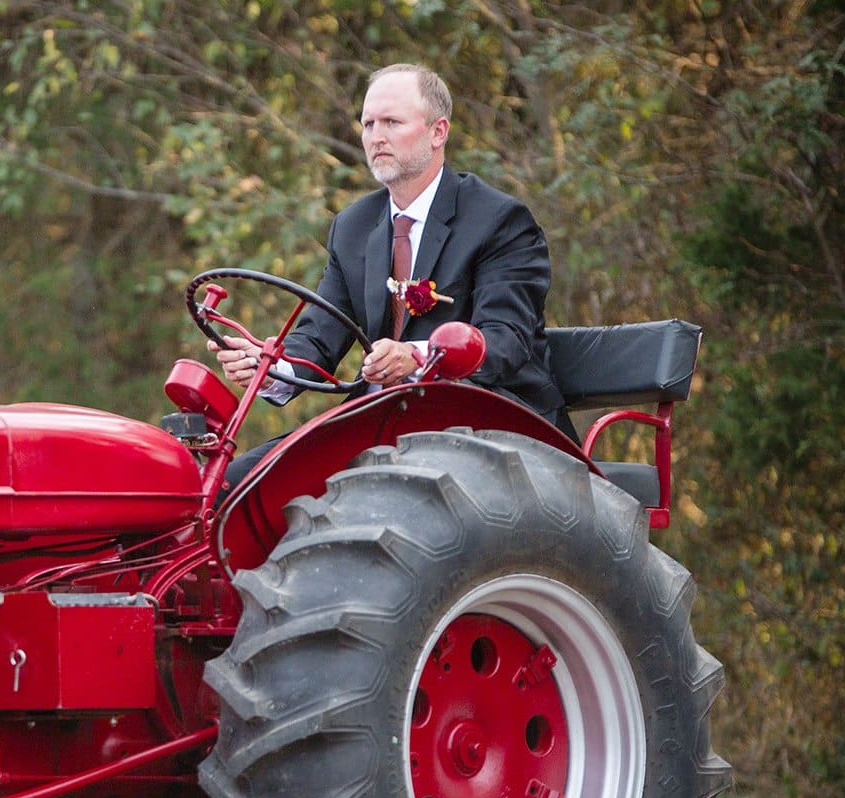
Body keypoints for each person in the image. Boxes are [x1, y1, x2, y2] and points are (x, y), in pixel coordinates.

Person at [211, 63, 573, 491]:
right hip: (379, 420)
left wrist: (418, 358)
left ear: (438, 132)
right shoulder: (353, 227)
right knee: (232, 485)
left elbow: (505, 342)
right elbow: (318, 339)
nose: (375, 136)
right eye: (367, 124)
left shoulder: (499, 221)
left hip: (485, 425)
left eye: (391, 122)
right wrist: (272, 367)